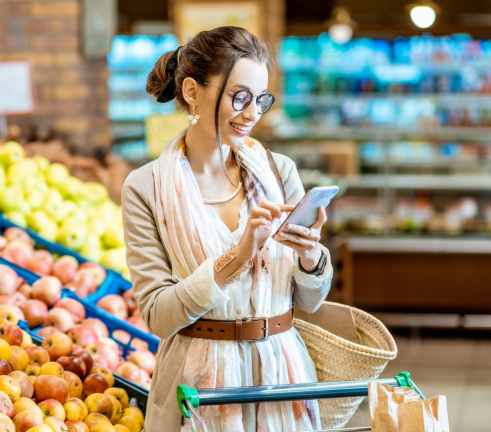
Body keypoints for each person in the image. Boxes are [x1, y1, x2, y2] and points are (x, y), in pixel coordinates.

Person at [121, 26, 333, 431]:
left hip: (281, 379)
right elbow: (159, 317)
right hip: (198, 388)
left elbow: (311, 301)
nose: (252, 113)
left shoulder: (277, 170)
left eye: (260, 100)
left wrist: (308, 255)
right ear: (191, 92)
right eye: (239, 97)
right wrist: (237, 258)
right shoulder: (145, 187)